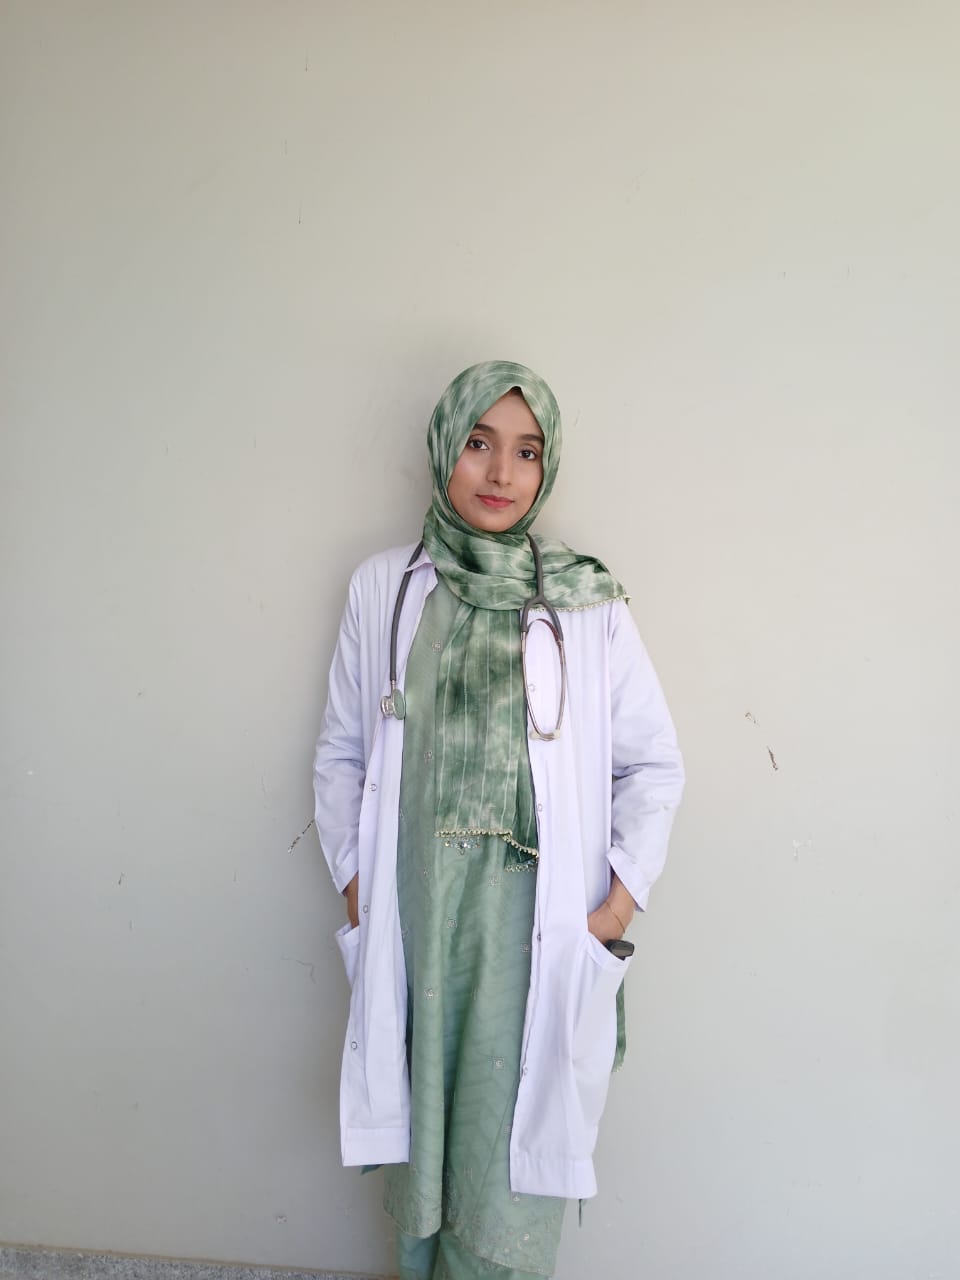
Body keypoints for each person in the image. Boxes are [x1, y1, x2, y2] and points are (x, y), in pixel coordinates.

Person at [313, 360, 684, 1280]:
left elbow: (653, 765)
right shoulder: (383, 588)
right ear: (445, 447)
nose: (500, 472)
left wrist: (613, 911)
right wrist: (359, 892)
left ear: (546, 469)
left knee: (508, 1167)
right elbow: (342, 755)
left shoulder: (587, 602)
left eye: (526, 451)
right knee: (423, 1151)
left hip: (535, 931)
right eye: (479, 443)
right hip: (418, 919)